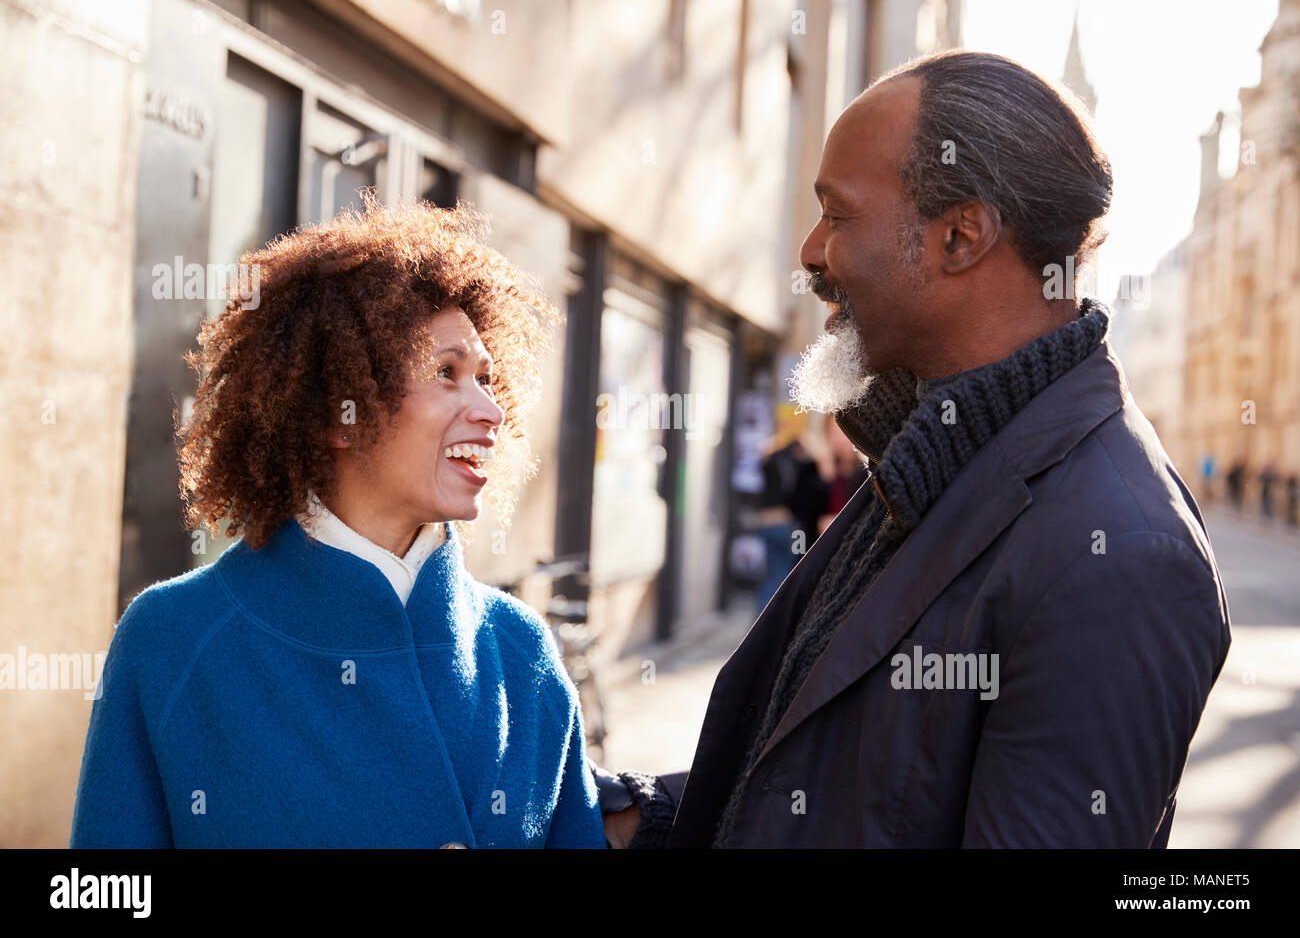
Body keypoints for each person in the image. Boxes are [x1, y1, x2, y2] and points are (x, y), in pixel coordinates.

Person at [601, 50, 1231, 848]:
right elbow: (832, 785)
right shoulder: (936, 450)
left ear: (960, 235)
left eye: (839, 213)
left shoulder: (1122, 554)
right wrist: (626, 816)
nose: (811, 252)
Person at [71, 193, 606, 848]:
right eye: (446, 373)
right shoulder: (173, 642)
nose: (489, 411)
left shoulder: (522, 651)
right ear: (337, 413)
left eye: (487, 380)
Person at [754, 432, 828, 607]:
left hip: (765, 523)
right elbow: (794, 496)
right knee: (784, 574)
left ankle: (761, 620)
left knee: (771, 574)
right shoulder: (792, 464)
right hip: (785, 525)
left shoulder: (770, 462)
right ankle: (768, 620)